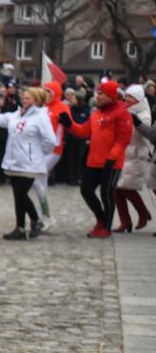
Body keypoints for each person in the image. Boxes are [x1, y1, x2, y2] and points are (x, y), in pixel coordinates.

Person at [0, 86, 59, 240]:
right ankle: (20, 227)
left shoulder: (41, 117)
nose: (24, 100)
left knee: (21, 194)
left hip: (29, 163)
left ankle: (35, 220)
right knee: (17, 195)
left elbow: (50, 140)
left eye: (28, 98)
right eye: (24, 97)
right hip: (13, 162)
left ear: (36, 100)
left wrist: (39, 152)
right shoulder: (17, 114)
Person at [69, 79, 132, 237]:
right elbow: (84, 132)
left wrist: (112, 157)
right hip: (94, 161)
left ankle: (106, 227)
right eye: (97, 93)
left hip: (112, 163)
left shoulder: (122, 112)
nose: (96, 96)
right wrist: (69, 124)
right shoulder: (96, 113)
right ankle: (101, 219)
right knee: (86, 190)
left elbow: (123, 139)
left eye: (100, 94)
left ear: (110, 96)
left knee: (106, 193)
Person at [114, 84, 153, 232]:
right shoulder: (124, 110)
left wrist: (134, 121)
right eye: (126, 97)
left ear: (137, 99)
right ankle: (125, 222)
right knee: (116, 189)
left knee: (127, 188)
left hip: (136, 154)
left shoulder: (144, 113)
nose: (126, 99)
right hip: (123, 153)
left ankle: (143, 213)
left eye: (130, 97)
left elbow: (146, 133)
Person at [33, 80, 71, 230]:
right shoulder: (42, 108)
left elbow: (70, 125)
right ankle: (45, 216)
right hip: (40, 150)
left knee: (35, 180)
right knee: (41, 183)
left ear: (55, 93)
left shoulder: (62, 107)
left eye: (48, 91)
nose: (46, 94)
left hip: (54, 150)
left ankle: (47, 216)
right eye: (44, 91)